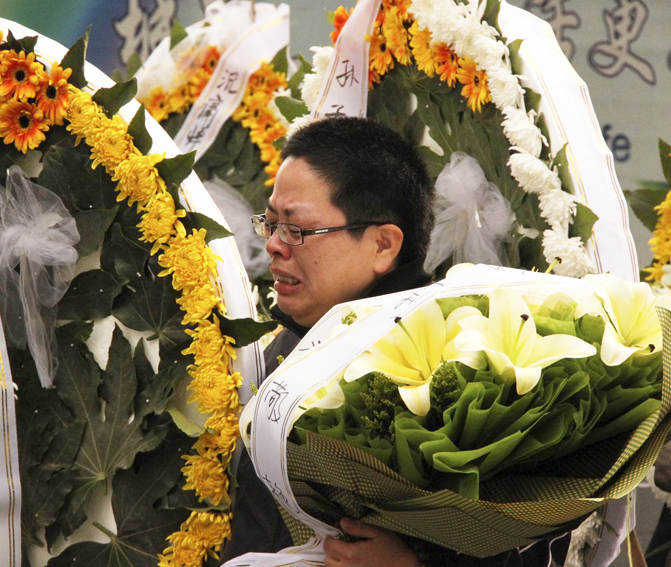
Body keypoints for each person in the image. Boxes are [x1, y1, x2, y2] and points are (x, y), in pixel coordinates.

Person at [220, 117, 570, 566]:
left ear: (383, 245)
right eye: (269, 225)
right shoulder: (283, 347)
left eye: (297, 230)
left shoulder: (460, 370)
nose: (274, 246)